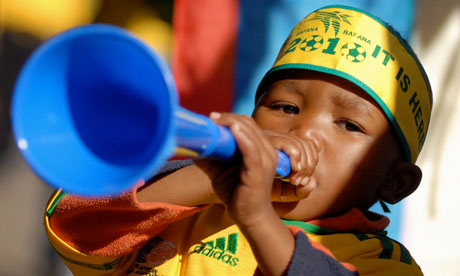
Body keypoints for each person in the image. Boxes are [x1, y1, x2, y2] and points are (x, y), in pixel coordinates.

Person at [44, 5, 432, 276]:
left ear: (394, 182)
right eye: (285, 107)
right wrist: (212, 181)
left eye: (348, 125)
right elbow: (72, 224)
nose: (303, 133)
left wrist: (258, 219)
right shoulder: (188, 207)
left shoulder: (382, 262)